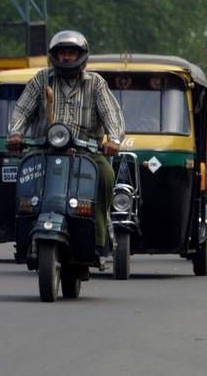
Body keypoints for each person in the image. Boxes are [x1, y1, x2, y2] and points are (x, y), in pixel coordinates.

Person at [7, 30, 125, 252]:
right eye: (63, 53)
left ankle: (99, 237)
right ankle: (23, 236)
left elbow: (112, 115)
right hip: (44, 149)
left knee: (107, 177)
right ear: (55, 56)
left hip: (86, 152)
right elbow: (22, 110)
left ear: (82, 56)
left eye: (72, 53)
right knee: (23, 179)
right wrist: (16, 134)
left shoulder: (95, 83)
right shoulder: (41, 79)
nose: (67, 57)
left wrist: (114, 140)